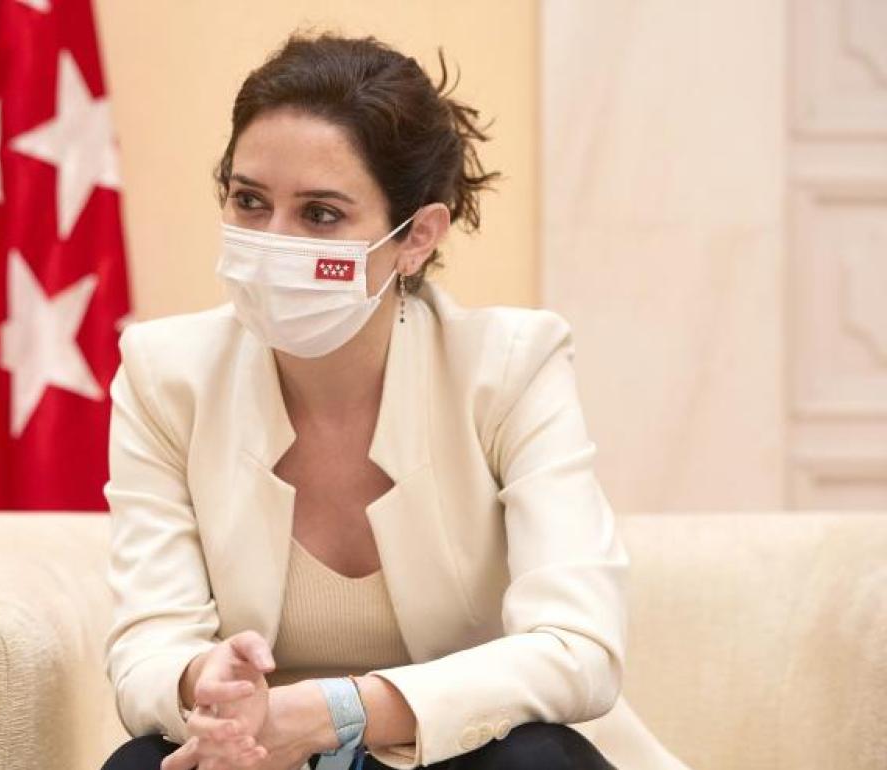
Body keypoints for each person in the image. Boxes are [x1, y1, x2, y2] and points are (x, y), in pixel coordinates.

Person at [100, 30, 686, 770]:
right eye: (249, 201)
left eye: (320, 214)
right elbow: (147, 644)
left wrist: (337, 712)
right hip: (260, 756)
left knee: (536, 760)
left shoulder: (510, 365)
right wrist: (201, 683)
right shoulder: (164, 373)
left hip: (462, 752)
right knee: (141, 763)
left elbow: (578, 648)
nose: (273, 241)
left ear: (417, 237)